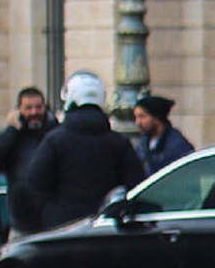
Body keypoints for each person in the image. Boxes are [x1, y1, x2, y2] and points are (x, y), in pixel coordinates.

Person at [26, 73, 144, 227]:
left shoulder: (55, 140)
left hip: (61, 224)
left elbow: (36, 180)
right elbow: (135, 182)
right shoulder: (118, 142)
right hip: (105, 224)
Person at [0, 85, 53, 234]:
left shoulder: (55, 135)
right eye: (28, 108)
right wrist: (11, 130)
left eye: (38, 107)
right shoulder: (12, 138)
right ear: (19, 110)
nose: (34, 112)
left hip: (51, 215)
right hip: (22, 218)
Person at [132, 94, 196, 175]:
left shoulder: (177, 145)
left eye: (142, 117)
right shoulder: (143, 143)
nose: (138, 122)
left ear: (156, 118)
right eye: (136, 117)